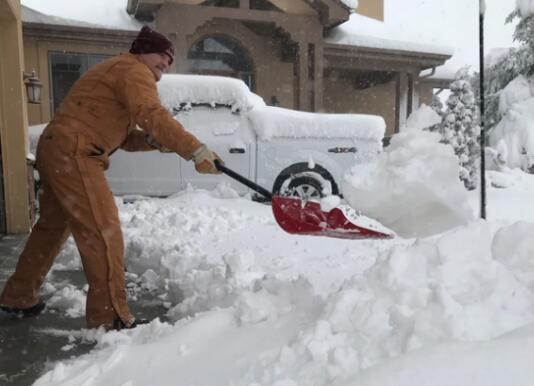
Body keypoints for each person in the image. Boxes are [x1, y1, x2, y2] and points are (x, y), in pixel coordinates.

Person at [0, 26, 223, 330]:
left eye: (170, 61)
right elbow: (152, 114)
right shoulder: (133, 70)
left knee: (51, 228)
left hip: (58, 148)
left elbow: (125, 136)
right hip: (75, 152)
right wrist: (194, 150)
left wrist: (156, 142)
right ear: (142, 51)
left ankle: (18, 295)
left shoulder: (119, 71)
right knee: (103, 231)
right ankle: (110, 317)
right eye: (162, 55)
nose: (166, 64)